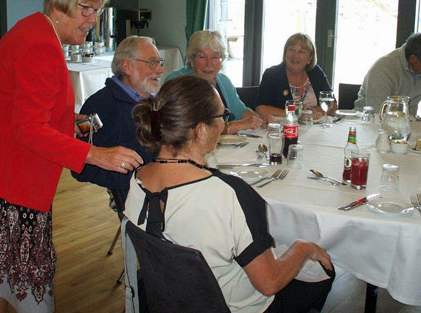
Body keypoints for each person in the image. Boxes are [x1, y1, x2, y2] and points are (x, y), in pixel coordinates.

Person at [0, 0, 143, 313]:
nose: (93, 19)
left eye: (98, 11)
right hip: (11, 178)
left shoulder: (32, 28)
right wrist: (94, 154)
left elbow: (20, 105)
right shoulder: (41, 44)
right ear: (59, 5)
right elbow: (27, 129)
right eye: (86, 8)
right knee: (26, 279)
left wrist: (68, 121)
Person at [126, 75, 334, 312]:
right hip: (233, 306)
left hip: (169, 300)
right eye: (222, 117)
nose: (225, 125)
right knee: (325, 270)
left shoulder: (137, 179)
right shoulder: (228, 194)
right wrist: (303, 247)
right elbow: (269, 283)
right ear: (201, 131)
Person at [72, 36, 160, 199]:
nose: (160, 70)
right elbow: (80, 167)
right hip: (136, 196)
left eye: (159, 63)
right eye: (152, 63)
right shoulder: (99, 106)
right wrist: (135, 178)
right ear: (127, 66)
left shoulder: (154, 102)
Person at [165, 30, 264, 133]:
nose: (209, 64)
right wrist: (237, 125)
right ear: (192, 60)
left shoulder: (223, 81)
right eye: (202, 57)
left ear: (221, 60)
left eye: (215, 57)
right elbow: (195, 129)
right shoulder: (176, 81)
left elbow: (241, 111)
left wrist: (260, 119)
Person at [256, 33, 336, 120]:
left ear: (310, 58)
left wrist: (312, 111)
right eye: (291, 50)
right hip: (283, 128)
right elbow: (261, 108)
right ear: (285, 53)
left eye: (301, 51)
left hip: (314, 127)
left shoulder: (315, 72)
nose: (295, 55)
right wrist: (295, 113)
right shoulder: (272, 74)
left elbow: (333, 105)